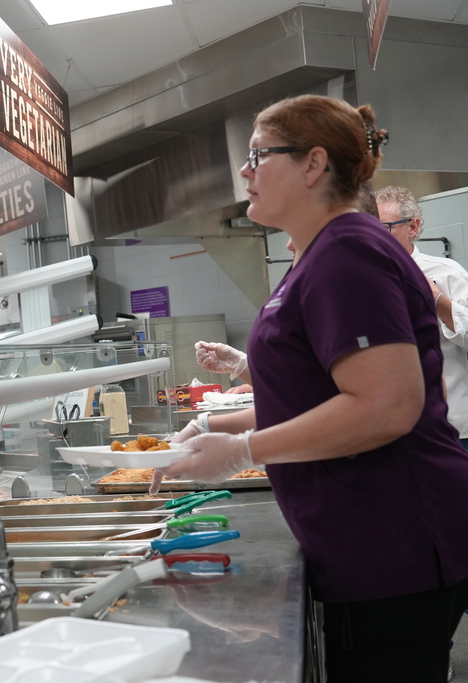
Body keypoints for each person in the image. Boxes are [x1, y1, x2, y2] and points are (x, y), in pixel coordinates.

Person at [159, 95, 468, 682]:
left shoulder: (348, 252)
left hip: (391, 540)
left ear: (312, 164)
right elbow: (314, 394)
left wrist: (244, 452)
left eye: (257, 156)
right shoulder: (323, 254)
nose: (244, 173)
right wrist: (215, 427)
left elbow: (386, 406)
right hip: (371, 535)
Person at [375, 185, 468, 448]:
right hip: (390, 427)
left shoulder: (448, 273)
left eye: (384, 228)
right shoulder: (362, 277)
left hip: (451, 425)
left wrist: (438, 300)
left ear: (413, 227)